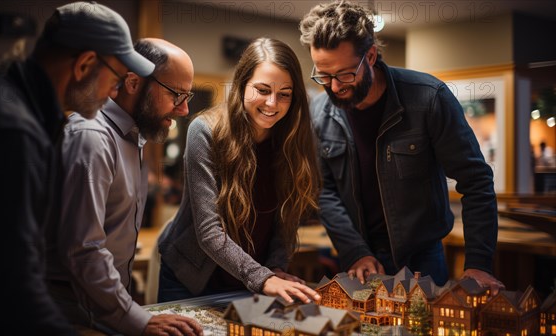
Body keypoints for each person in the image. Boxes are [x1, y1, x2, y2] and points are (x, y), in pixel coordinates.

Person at [0, 2, 153, 334]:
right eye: (116, 79)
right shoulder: (13, 130)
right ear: (85, 65)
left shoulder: (5, 97)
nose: (113, 93)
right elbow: (10, 283)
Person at [299, 0, 505, 295]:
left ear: (370, 56)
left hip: (423, 258)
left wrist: (479, 262)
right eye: (324, 76)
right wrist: (354, 250)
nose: (334, 87)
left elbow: (476, 181)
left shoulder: (428, 98)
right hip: (358, 260)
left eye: (345, 74)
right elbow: (324, 190)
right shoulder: (320, 112)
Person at [45, 38, 203, 336]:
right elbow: (83, 249)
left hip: (100, 309)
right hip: (69, 314)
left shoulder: (132, 138)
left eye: (187, 96)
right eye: (176, 95)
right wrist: (136, 318)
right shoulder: (91, 137)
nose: (183, 110)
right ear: (132, 82)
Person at [157, 37, 322, 305]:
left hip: (252, 279)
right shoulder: (206, 131)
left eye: (284, 94)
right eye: (262, 89)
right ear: (242, 85)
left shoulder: (293, 138)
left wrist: (276, 267)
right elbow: (209, 231)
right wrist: (263, 277)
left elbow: (286, 218)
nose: (272, 103)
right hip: (190, 279)